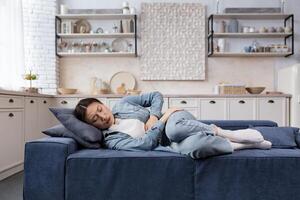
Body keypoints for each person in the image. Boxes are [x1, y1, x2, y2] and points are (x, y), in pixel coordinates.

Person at [74, 91, 271, 159]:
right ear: (92, 125)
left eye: (99, 109)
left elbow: (155, 96)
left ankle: (223, 132)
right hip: (167, 143)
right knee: (194, 148)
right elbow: (144, 145)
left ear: (101, 104)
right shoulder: (112, 140)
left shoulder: (122, 104)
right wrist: (162, 119)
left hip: (177, 121)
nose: (101, 117)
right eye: (94, 119)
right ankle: (248, 144)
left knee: (175, 129)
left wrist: (154, 116)